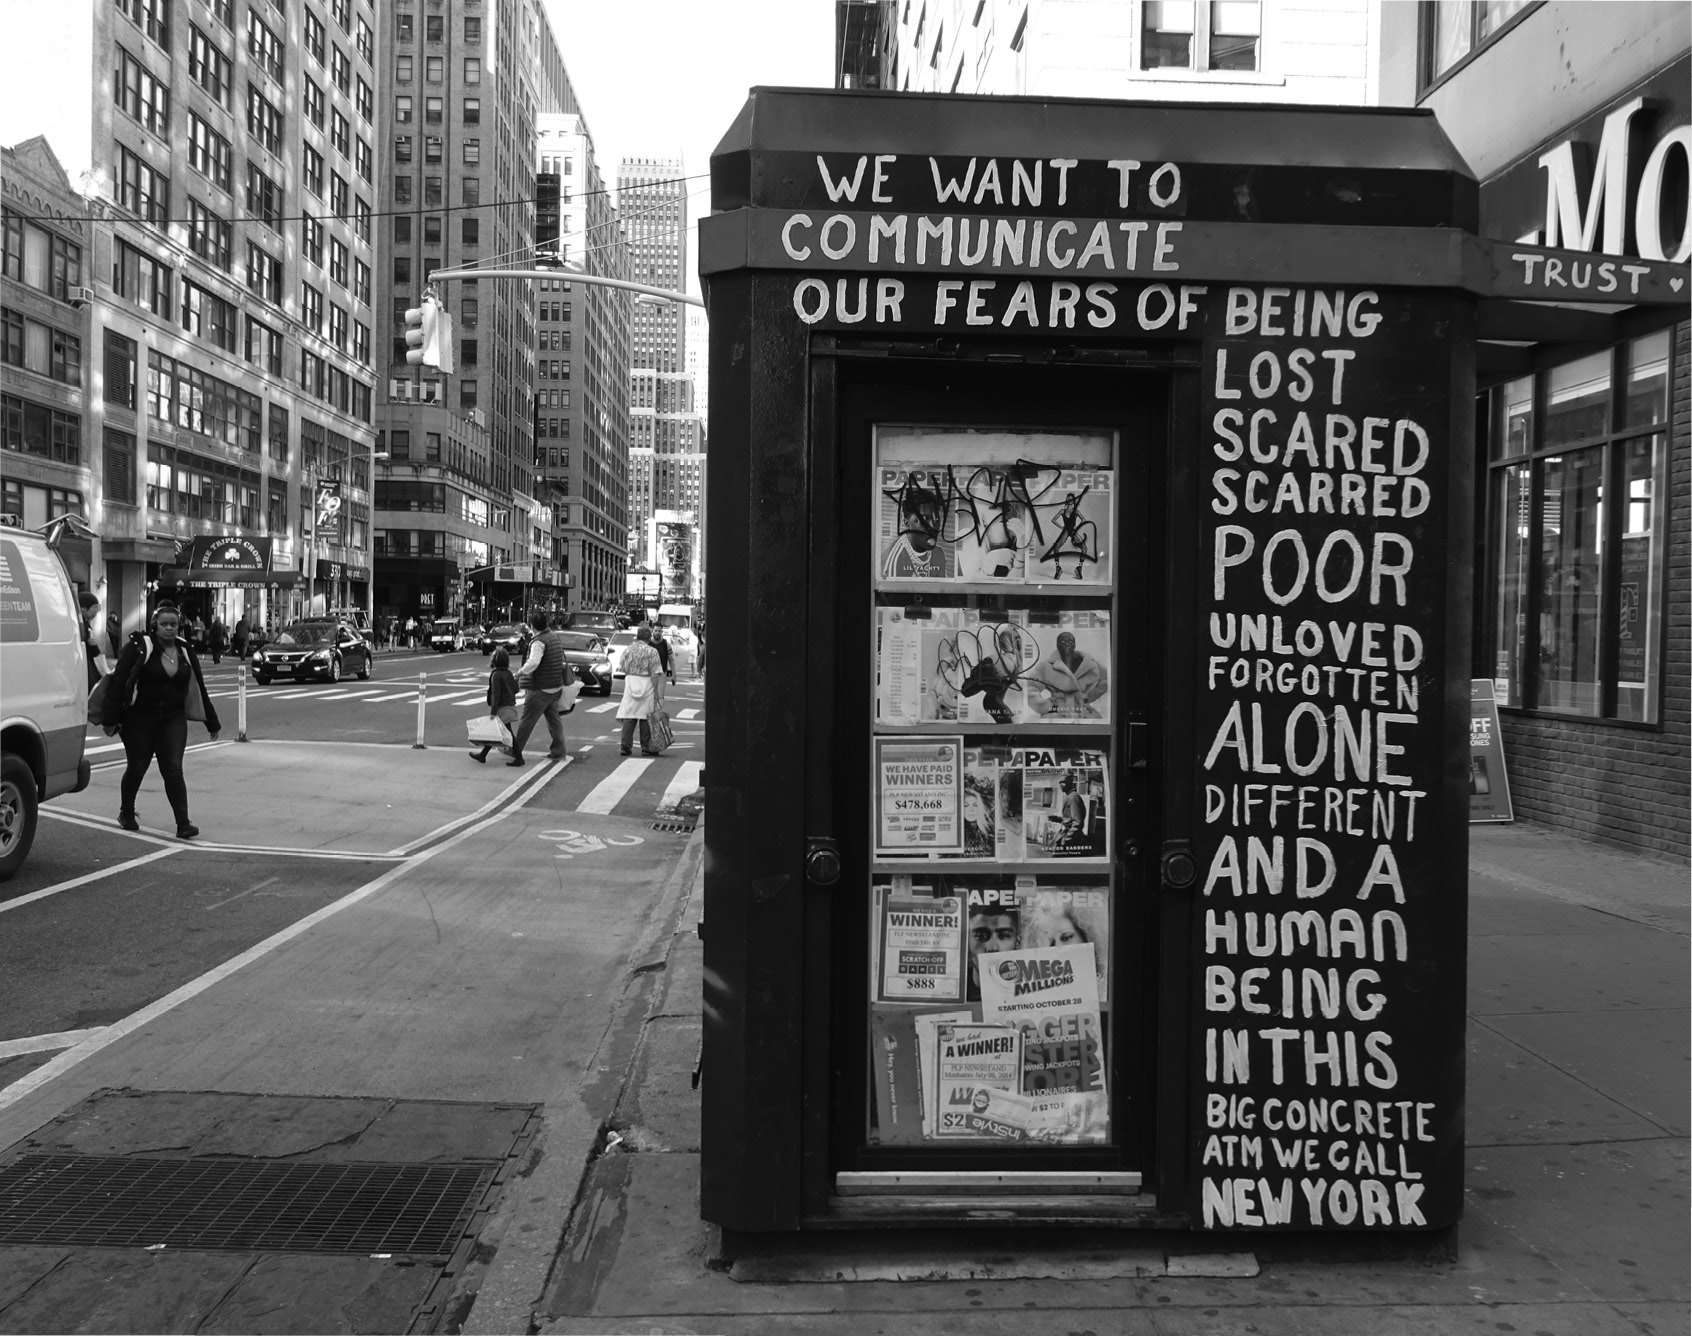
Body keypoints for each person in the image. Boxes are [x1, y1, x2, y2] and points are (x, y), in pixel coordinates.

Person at [101, 601, 221, 839]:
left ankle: (183, 824)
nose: (169, 629)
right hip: (139, 719)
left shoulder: (185, 650)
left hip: (172, 718)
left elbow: (199, 685)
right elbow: (119, 682)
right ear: (154, 625)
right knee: (137, 767)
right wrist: (110, 719)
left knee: (174, 769)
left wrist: (211, 721)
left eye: (174, 624)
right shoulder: (138, 647)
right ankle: (126, 812)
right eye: (164, 624)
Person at [505, 611, 572, 766]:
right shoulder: (554, 637)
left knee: (527, 722)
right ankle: (559, 750)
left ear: (532, 626)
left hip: (540, 688)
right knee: (554, 721)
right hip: (555, 687)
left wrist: (519, 674)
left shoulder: (539, 642)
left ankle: (516, 753)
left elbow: (533, 662)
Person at [1029, 631, 1109, 719]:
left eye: (1070, 642)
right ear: (1057, 645)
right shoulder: (1046, 665)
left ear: (1074, 645)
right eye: (1062, 642)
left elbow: (1107, 679)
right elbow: (1031, 688)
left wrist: (1089, 697)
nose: (1067, 644)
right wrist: (1044, 706)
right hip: (1057, 712)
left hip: (1084, 711)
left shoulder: (1090, 663)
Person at [615, 624, 666, 757]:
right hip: (647, 684)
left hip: (631, 683)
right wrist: (656, 692)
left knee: (629, 716)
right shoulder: (652, 652)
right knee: (645, 717)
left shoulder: (628, 650)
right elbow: (655, 674)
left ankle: (625, 746)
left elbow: (622, 667)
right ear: (649, 638)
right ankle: (645, 747)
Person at [470, 647, 520, 763]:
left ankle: (519, 758)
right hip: (510, 706)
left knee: (506, 733)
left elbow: (495, 695)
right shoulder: (508, 673)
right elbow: (516, 690)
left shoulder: (496, 675)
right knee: (497, 732)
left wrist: (493, 712)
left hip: (501, 707)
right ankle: (483, 755)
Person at [79, 591, 110, 691]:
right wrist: (94, 647)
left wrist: (94, 646)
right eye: (94, 609)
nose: (95, 614)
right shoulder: (80, 625)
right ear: (83, 609)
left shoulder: (84, 624)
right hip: (85, 668)